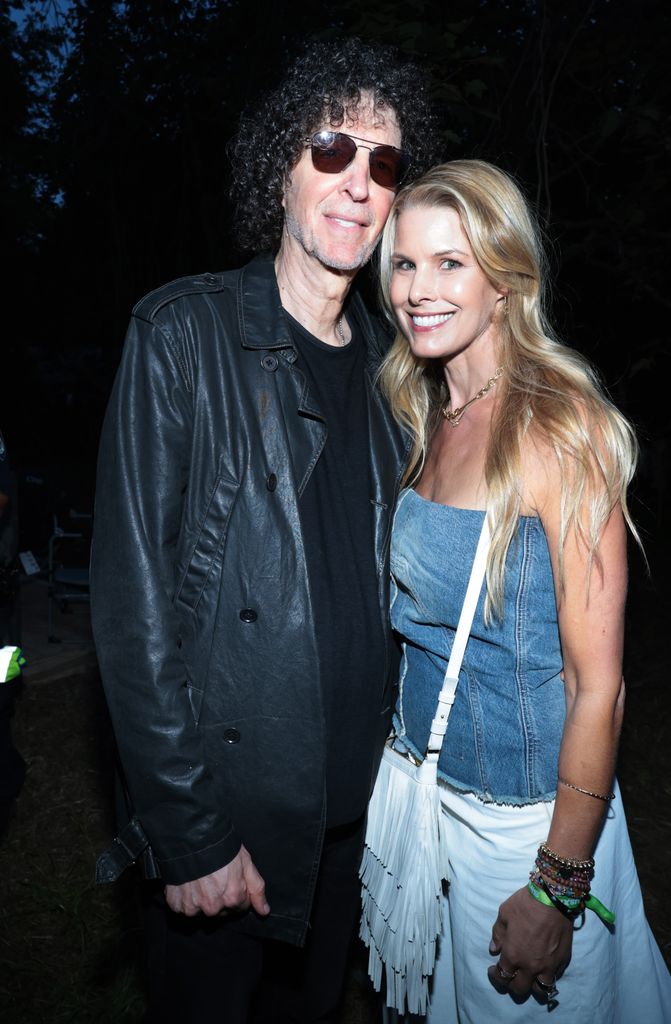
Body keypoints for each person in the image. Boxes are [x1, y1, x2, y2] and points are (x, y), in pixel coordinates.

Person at [90, 36, 437, 1024]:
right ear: (278, 165)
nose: (358, 181)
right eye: (331, 148)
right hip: (227, 824)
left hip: (349, 828)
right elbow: (131, 611)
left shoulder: (394, 368)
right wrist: (186, 830)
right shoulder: (179, 335)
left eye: (384, 161)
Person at [376, 160, 671, 1022]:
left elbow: (597, 688)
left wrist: (555, 887)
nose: (418, 290)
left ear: (503, 280)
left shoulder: (557, 428)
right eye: (403, 263)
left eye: (449, 263)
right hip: (428, 803)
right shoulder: (423, 409)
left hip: (524, 825)